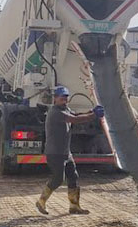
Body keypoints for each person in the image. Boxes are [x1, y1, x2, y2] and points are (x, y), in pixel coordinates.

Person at [36, 86, 105, 215]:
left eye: (66, 98)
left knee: (73, 177)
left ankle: (74, 206)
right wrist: (94, 115)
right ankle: (41, 201)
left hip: (65, 152)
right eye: (61, 98)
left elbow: (76, 115)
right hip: (55, 152)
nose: (64, 100)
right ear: (55, 99)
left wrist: (91, 111)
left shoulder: (65, 109)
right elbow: (75, 120)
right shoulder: (55, 112)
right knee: (58, 179)